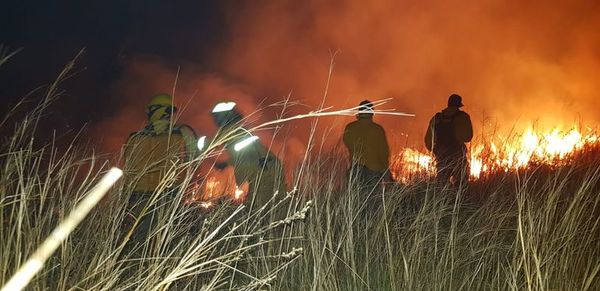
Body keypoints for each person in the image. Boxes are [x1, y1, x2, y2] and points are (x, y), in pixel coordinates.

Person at [122, 93, 199, 241]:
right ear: (168, 112)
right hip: (168, 195)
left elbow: (127, 170)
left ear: (152, 111)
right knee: (165, 240)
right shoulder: (183, 133)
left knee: (139, 241)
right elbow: (195, 158)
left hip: (138, 198)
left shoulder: (134, 138)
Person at [210, 101, 286, 210]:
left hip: (259, 169)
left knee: (257, 205)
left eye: (217, 116)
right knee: (276, 201)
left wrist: (200, 151)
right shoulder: (240, 129)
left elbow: (213, 147)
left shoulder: (228, 130)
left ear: (224, 116)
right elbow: (243, 153)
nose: (216, 119)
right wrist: (225, 163)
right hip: (270, 165)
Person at [425, 94, 473, 185]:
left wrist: (435, 151)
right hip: (458, 156)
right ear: (459, 105)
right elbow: (468, 137)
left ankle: (442, 199)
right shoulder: (463, 117)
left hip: (441, 157)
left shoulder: (437, 118)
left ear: (448, 104)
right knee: (461, 185)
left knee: (441, 186)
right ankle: (458, 199)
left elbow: (428, 140)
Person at [343, 100, 392, 188]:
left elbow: (347, 143)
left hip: (356, 169)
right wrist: (385, 170)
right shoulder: (377, 130)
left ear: (359, 112)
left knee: (357, 197)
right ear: (372, 113)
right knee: (372, 197)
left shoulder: (350, 127)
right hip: (374, 170)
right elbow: (384, 152)